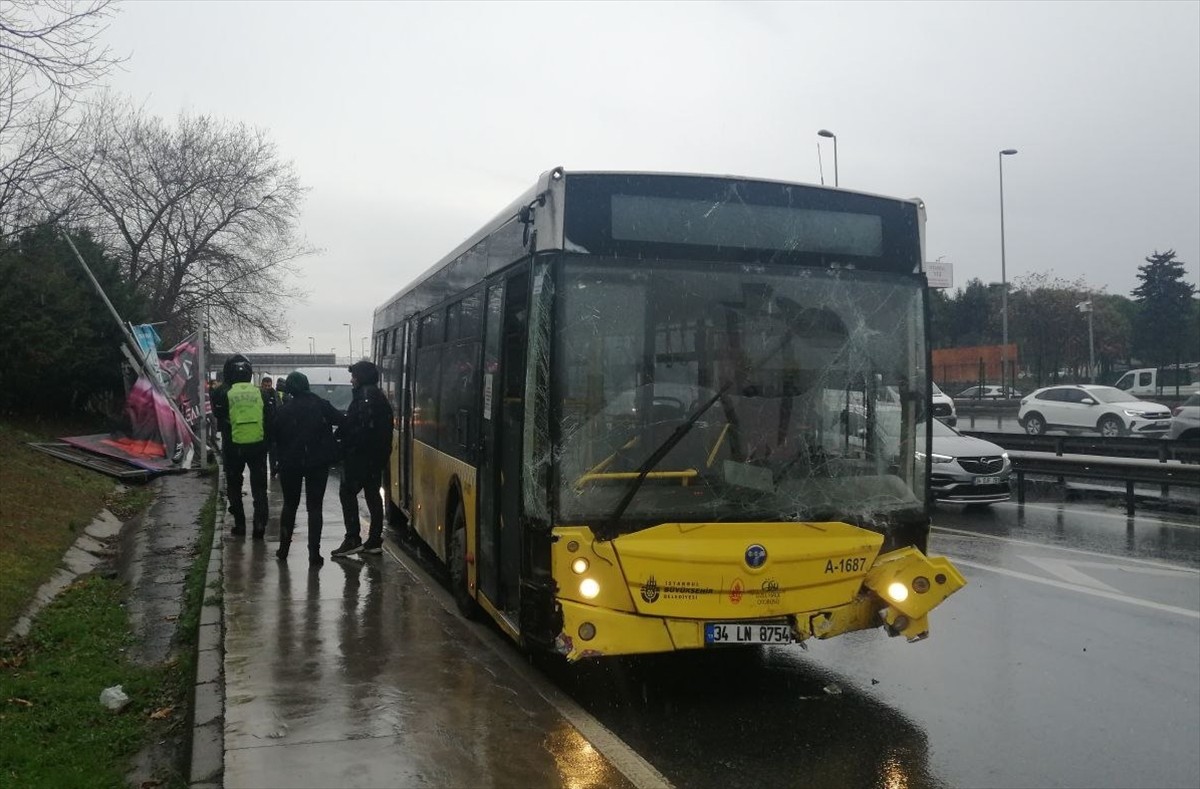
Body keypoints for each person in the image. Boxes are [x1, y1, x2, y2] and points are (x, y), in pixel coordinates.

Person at [273, 371, 344, 567]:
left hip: (290, 463)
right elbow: (341, 420)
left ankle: (283, 549)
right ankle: (314, 553)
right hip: (317, 463)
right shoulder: (321, 405)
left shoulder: (284, 410)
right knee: (315, 507)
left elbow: (273, 434)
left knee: (289, 505)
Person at [332, 360, 394, 557]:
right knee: (372, 495)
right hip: (375, 457)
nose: (351, 380)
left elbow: (358, 427)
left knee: (347, 493)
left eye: (354, 376)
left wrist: (343, 443)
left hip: (360, 457)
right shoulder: (377, 396)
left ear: (361, 377)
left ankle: (353, 538)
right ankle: (374, 540)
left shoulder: (365, 397)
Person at [211, 355, 273, 537]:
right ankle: (260, 524)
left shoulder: (221, 393)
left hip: (233, 445)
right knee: (260, 487)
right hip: (258, 445)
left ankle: (240, 525)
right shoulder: (260, 392)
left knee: (234, 485)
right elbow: (269, 418)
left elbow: (217, 415)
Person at [261, 376, 281, 478]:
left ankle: (273, 470)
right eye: (265, 386)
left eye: (269, 386)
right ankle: (263, 471)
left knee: (274, 452)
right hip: (262, 428)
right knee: (263, 453)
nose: (267, 388)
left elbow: (279, 408)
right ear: (262, 385)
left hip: (273, 428)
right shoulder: (259, 394)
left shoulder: (275, 394)